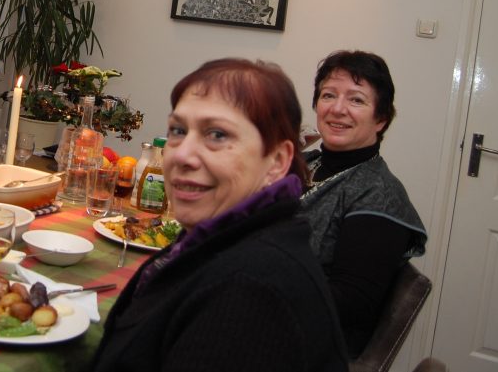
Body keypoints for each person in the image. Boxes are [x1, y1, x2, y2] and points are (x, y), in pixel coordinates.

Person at [92, 59, 347, 372]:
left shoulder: (252, 292)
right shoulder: (220, 236)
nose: (182, 155)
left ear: (277, 161)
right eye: (178, 130)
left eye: (217, 135)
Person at [301, 50, 426, 357]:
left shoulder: (379, 195)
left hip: (312, 345)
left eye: (356, 100)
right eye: (328, 95)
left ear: (381, 119)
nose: (337, 109)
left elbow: (349, 303)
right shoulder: (306, 163)